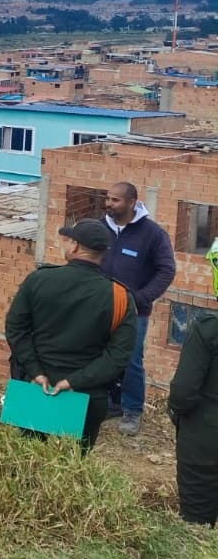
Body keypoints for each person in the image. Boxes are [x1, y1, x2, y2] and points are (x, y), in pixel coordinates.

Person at [6, 219, 136, 451]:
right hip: (85, 399)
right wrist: (74, 381)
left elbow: (16, 329)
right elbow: (119, 356)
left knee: (27, 462)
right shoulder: (120, 296)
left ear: (75, 246)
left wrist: (36, 371)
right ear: (103, 253)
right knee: (73, 470)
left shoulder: (39, 280)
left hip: (37, 392)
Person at [100, 182, 176, 437]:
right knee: (102, 356)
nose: (109, 204)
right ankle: (112, 403)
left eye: (115, 200)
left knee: (131, 360)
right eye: (108, 198)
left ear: (132, 202)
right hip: (100, 308)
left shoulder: (152, 234)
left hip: (134, 312)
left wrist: (141, 298)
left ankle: (132, 410)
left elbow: (166, 270)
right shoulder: (100, 228)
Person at [169, 307, 218, 528]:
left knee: (197, 525)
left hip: (205, 439)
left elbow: (183, 391)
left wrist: (176, 411)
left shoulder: (209, 328)